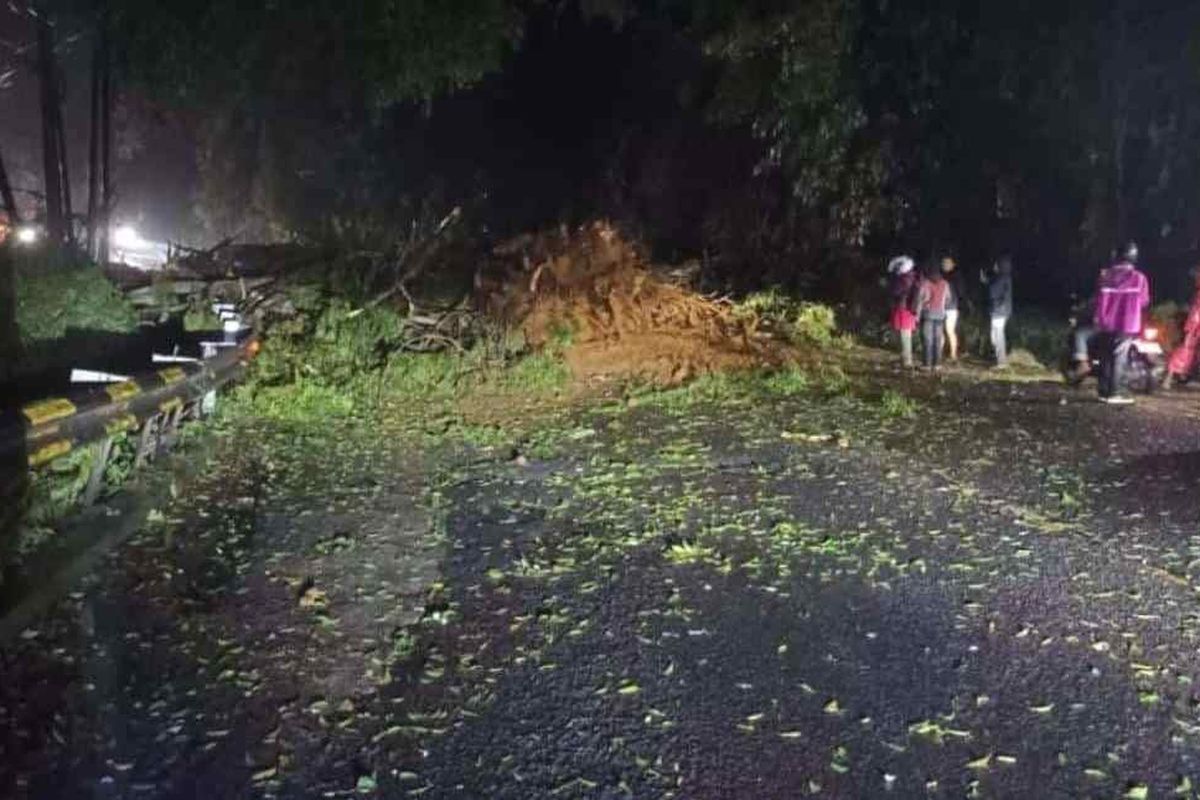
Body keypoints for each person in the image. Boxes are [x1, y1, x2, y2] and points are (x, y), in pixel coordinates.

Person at [1093, 241, 1150, 404]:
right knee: (1119, 357)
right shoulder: (1139, 278)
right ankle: (1115, 392)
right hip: (1127, 323)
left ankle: (1103, 392)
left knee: (1105, 356)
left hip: (1105, 322)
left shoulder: (1105, 276)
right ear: (1133, 257)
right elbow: (1144, 302)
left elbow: (1098, 298)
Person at [1164, 267, 1200, 389]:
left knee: (1185, 350)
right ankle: (1174, 377)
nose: (1195, 280)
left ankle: (1170, 378)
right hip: (1194, 328)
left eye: (1197, 277)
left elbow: (1195, 313)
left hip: (1194, 328)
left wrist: (1190, 328)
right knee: (1186, 351)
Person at [915, 259, 951, 371]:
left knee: (927, 339)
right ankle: (937, 364)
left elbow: (920, 300)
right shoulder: (945, 283)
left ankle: (927, 364)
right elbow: (948, 299)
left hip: (928, 314)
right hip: (940, 314)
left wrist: (917, 314)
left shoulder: (925, 283)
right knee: (938, 339)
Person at [887, 255, 918, 368]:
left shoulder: (905, 278)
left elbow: (896, 291)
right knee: (903, 335)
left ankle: (907, 361)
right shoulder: (910, 276)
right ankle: (904, 358)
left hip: (904, 310)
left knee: (905, 335)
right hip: (906, 309)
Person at [983, 255, 1013, 368]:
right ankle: (1000, 359)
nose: (994, 266)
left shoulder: (1001, 278)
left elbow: (993, 293)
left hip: (999, 311)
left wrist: (987, 283)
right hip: (1002, 311)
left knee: (997, 336)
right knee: (996, 335)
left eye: (996, 264)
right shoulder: (1005, 277)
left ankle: (1001, 362)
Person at [940, 254, 967, 361]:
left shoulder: (957, 276)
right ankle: (938, 353)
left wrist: (960, 304)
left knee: (950, 330)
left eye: (947, 263)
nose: (945, 265)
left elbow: (961, 292)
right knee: (940, 331)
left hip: (952, 307)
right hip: (940, 307)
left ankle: (953, 354)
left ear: (953, 264)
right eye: (943, 263)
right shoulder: (939, 275)